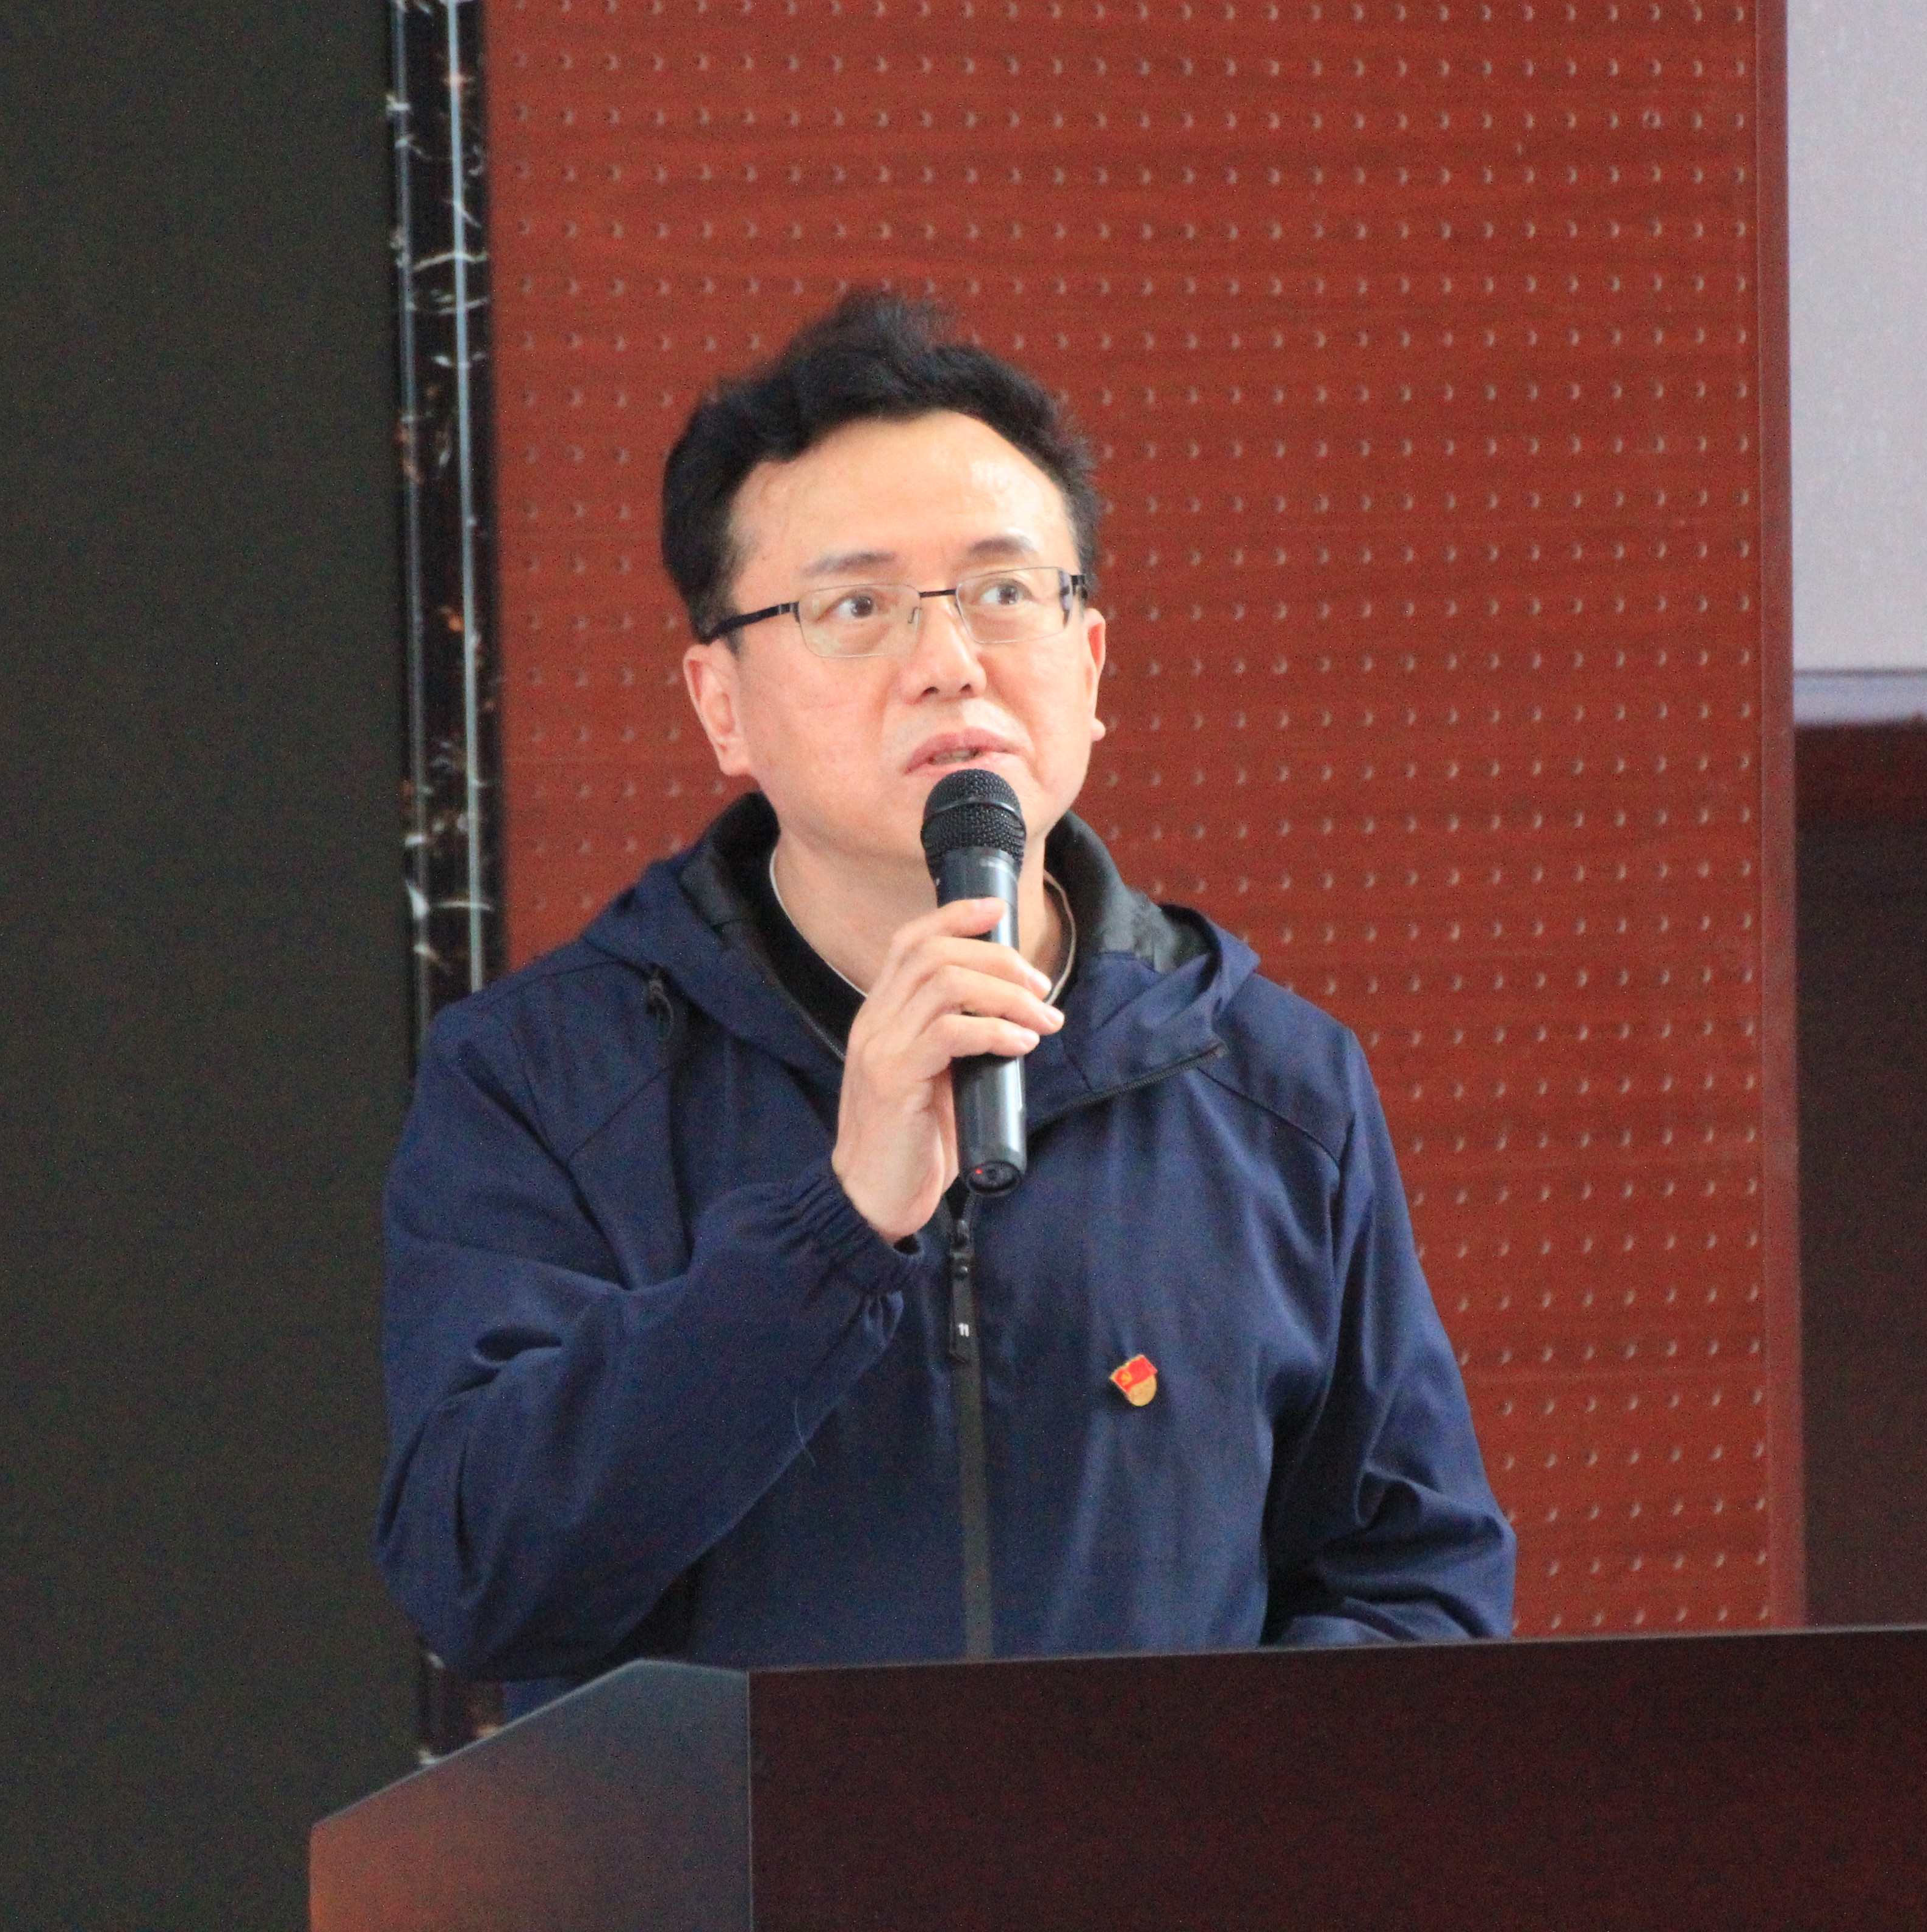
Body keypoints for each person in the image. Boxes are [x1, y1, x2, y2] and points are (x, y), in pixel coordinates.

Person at [376, 293, 1513, 1707]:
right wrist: (835, 1229)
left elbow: (1416, 1588)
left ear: (1090, 666)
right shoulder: (542, 1079)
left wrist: (1211, 1802)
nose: (950, 662)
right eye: (857, 608)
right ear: (721, 704)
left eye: (1004, 592)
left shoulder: (1274, 1088)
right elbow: (478, 1577)